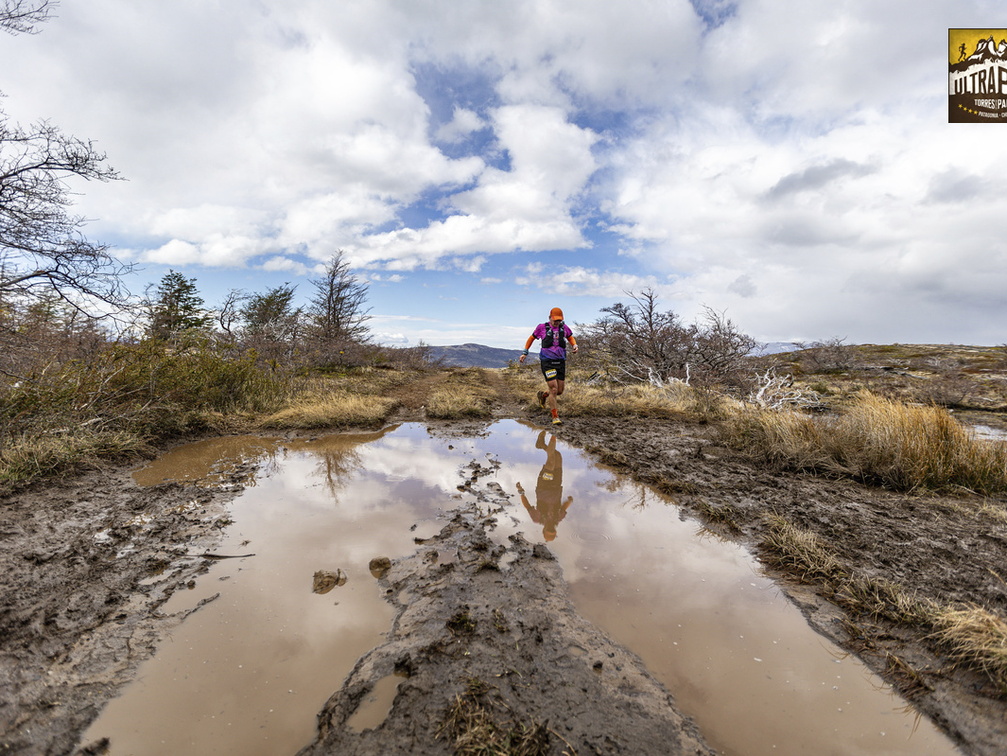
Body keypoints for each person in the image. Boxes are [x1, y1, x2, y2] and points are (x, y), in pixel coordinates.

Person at [519, 307, 578, 425]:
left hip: (560, 361)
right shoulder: (542, 327)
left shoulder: (564, 328)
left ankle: (543, 396)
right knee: (554, 388)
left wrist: (574, 345)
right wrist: (525, 352)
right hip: (547, 361)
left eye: (559, 320)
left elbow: (570, 337)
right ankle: (555, 416)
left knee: (560, 391)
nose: (557, 322)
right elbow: (531, 338)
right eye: (555, 320)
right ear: (550, 318)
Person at [515, 430, 573, 542]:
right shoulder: (558, 518)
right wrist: (569, 501)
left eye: (549, 531)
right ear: (555, 531)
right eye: (553, 531)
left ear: (544, 530)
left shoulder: (537, 519)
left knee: (551, 462)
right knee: (557, 456)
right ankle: (541, 445)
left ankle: (554, 433)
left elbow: (527, 506)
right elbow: (564, 507)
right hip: (556, 484)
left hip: (544, 486)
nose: (551, 529)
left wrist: (521, 491)